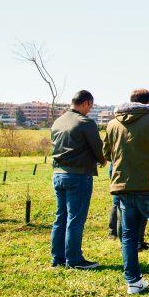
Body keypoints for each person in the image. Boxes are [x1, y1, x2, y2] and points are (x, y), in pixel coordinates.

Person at [102, 88, 149, 295]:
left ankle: (133, 282)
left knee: (128, 235)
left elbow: (106, 153)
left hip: (124, 186)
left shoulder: (113, 123)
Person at [50, 89, 105, 270]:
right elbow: (97, 147)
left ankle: (57, 258)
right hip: (78, 174)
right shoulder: (85, 122)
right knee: (75, 218)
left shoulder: (58, 121)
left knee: (61, 218)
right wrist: (102, 160)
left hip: (58, 174)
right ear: (86, 103)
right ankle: (74, 259)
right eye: (91, 106)